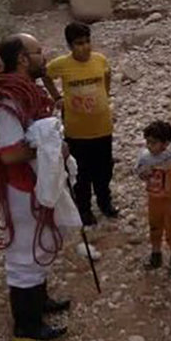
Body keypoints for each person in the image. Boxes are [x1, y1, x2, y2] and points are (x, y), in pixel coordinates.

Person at [0, 33, 70, 341]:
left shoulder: (22, 94)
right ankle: (26, 325)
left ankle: (39, 303)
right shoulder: (7, 101)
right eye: (39, 52)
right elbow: (10, 152)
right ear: (24, 59)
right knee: (24, 253)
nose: (45, 56)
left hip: (30, 184)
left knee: (38, 245)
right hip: (20, 188)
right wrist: (49, 148)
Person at [43, 22, 119, 226]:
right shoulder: (61, 64)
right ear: (70, 46)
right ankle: (84, 209)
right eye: (79, 43)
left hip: (103, 128)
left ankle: (105, 202)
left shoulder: (99, 60)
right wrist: (57, 97)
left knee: (104, 169)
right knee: (81, 173)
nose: (85, 47)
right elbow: (45, 75)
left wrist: (105, 95)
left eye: (87, 41)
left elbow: (107, 74)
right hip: (77, 132)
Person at [134, 120, 171, 275]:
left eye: (153, 143)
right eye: (148, 142)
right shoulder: (145, 157)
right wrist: (143, 173)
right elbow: (139, 172)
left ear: (165, 143)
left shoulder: (170, 160)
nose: (149, 146)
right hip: (153, 198)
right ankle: (156, 253)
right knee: (154, 227)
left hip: (168, 200)